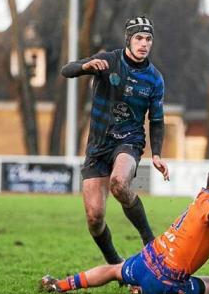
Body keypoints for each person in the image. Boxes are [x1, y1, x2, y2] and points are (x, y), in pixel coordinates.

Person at [40, 164, 209, 294]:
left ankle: (62, 284)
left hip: (147, 259)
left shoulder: (200, 199)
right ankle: (147, 291)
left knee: (115, 270)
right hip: (165, 278)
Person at [60, 16, 170, 266]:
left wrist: (157, 153)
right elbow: (66, 70)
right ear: (129, 40)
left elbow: (157, 120)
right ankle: (114, 263)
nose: (144, 44)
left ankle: (149, 242)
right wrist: (86, 67)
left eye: (148, 39)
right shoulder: (108, 60)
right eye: (139, 38)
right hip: (98, 146)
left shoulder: (155, 79)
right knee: (94, 218)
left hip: (129, 141)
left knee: (119, 183)